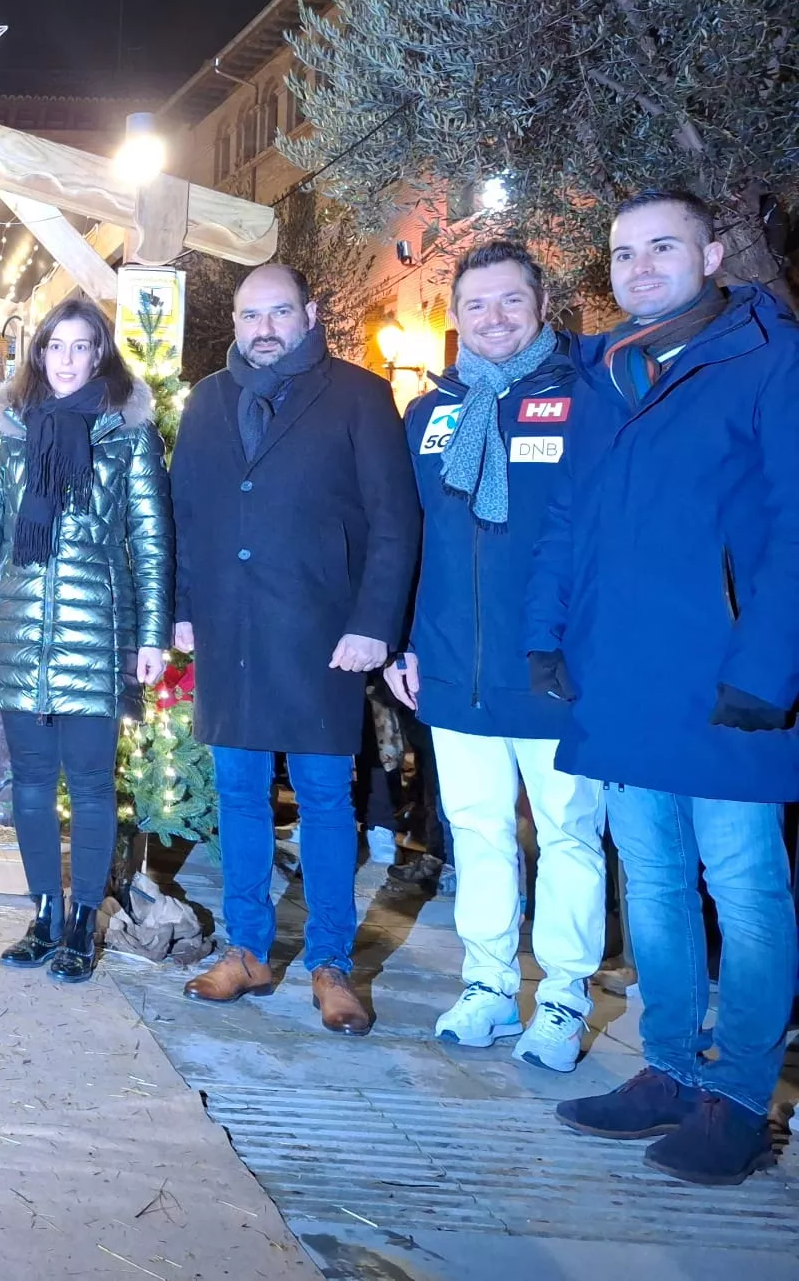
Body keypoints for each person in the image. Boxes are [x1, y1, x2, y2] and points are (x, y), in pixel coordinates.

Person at [534, 191, 798, 1186]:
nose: (640, 268)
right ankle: (674, 1069)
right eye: (624, 253)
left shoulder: (771, 357)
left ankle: (740, 1100)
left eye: (662, 248)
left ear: (713, 253)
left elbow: (793, 522)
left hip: (729, 677)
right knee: (652, 882)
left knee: (744, 886)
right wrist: (546, 635)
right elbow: (570, 515)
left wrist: (768, 671)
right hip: (627, 674)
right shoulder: (610, 373)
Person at [171, 262, 417, 1034]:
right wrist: (180, 610)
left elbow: (394, 520)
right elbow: (185, 516)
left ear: (310, 313)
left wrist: (374, 622)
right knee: (239, 798)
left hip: (322, 639)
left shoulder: (358, 394)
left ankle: (330, 963)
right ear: (236, 323)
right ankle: (245, 950)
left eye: (280, 312)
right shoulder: (208, 401)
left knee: (323, 802)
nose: (265, 328)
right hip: (230, 632)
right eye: (251, 316)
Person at [383, 242, 603, 1071]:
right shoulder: (428, 413)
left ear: (541, 305)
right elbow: (409, 537)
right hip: (451, 664)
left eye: (511, 301)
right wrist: (405, 639)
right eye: (477, 305)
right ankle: (485, 986)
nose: (494, 319)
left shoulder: (585, 397)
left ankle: (564, 996)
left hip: (552, 669)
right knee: (476, 832)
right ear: (456, 316)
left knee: (570, 834)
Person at [0, 295, 172, 983]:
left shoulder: (125, 436)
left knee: (93, 786)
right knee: (32, 785)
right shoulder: (10, 435)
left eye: (82, 346)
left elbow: (150, 537)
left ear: (100, 353)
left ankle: (83, 923)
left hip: (97, 631)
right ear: (38, 354)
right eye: (56, 346)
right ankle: (44, 914)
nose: (68, 360)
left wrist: (153, 633)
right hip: (17, 629)